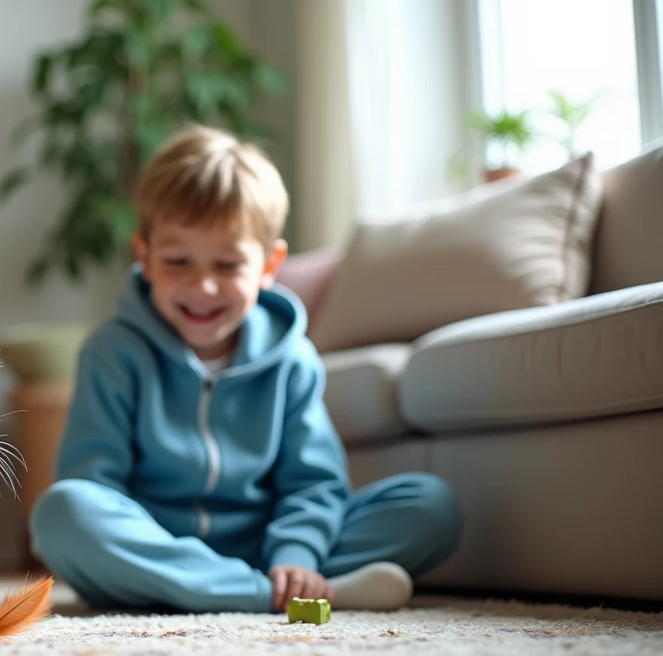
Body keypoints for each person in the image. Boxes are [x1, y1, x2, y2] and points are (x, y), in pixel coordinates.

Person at [29, 125, 463, 613]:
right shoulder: (111, 353)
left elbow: (313, 482)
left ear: (269, 265)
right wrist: (132, 545)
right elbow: (93, 482)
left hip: (269, 550)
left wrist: (296, 555)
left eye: (228, 265)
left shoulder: (292, 359)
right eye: (177, 262)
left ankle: (278, 584)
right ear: (145, 258)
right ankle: (268, 596)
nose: (203, 287)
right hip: (158, 551)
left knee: (430, 505)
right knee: (62, 512)